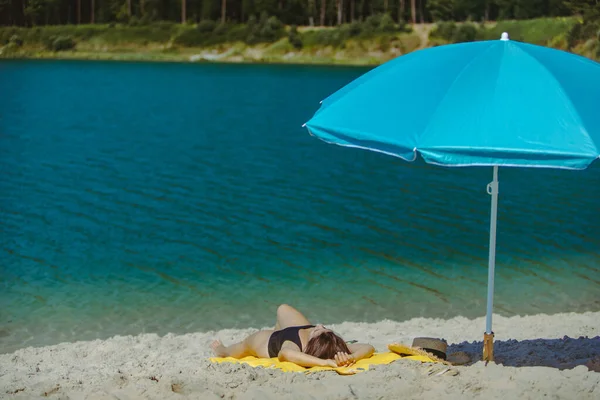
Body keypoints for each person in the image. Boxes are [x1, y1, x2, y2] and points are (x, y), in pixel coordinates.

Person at [211, 304, 375, 368]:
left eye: (318, 330)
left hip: (269, 342)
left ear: (314, 342)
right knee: (282, 308)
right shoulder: (333, 346)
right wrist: (352, 356)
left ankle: (222, 350)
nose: (318, 325)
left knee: (241, 347)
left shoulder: (294, 345)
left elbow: (285, 354)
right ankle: (278, 327)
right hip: (296, 328)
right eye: (324, 328)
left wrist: (327, 363)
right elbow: (368, 347)